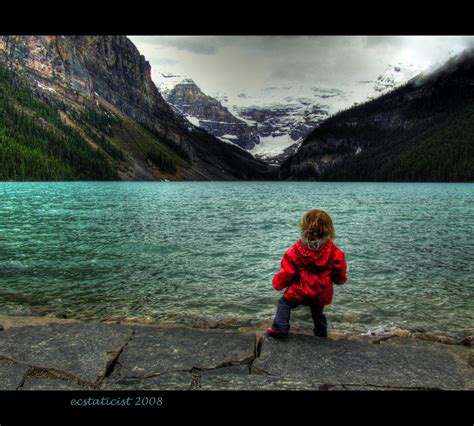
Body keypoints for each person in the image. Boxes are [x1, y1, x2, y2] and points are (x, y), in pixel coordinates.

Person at [267, 208, 347, 338]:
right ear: (329, 229)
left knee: (284, 303)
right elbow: (340, 277)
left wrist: (277, 284)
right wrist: (338, 280)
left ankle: (280, 328)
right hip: (321, 292)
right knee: (318, 314)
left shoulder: (295, 250)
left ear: (304, 227)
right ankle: (321, 336)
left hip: (299, 292)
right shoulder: (335, 252)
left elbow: (287, 273)